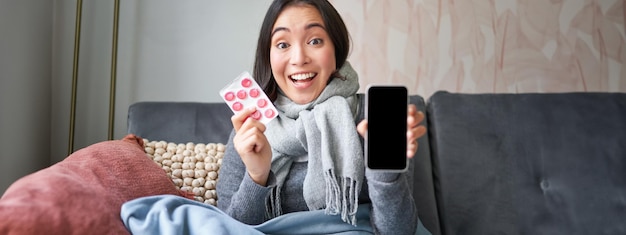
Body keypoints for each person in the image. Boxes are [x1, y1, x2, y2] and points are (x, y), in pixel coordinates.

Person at [216, 0, 429, 234]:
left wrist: (385, 175)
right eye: (283, 44)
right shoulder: (251, 129)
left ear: (336, 49)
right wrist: (257, 176)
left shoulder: (374, 118)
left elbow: (399, 231)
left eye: (315, 40)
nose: (299, 58)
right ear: (269, 57)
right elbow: (228, 229)